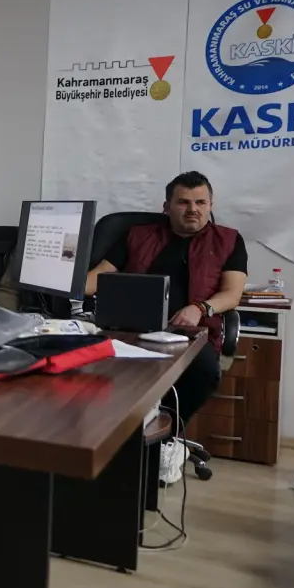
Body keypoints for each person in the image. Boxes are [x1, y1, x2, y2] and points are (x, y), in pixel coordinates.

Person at [85, 171, 247, 428]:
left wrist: (200, 308)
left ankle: (167, 436)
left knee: (204, 373)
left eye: (200, 202)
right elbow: (100, 276)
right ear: (166, 206)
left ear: (210, 206)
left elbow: (232, 294)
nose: (192, 209)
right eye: (183, 202)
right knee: (91, 369)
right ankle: (119, 435)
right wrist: (65, 283)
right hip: (130, 328)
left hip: (190, 334)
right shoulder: (137, 236)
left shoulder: (228, 241)